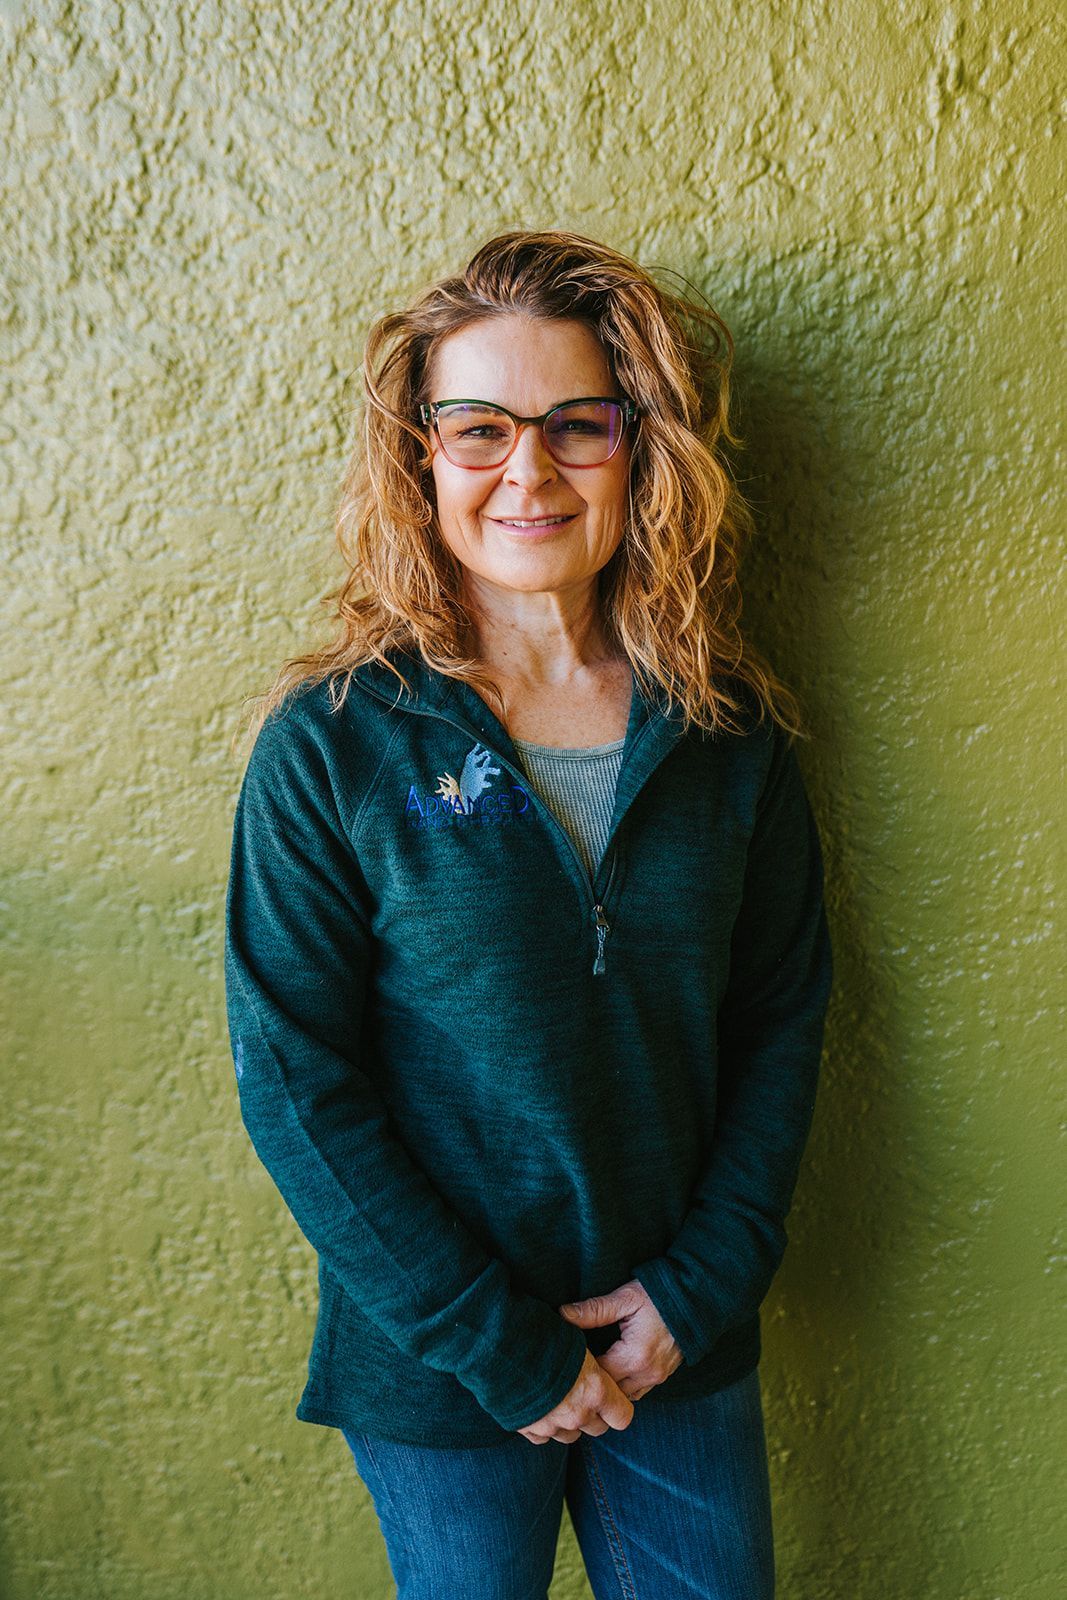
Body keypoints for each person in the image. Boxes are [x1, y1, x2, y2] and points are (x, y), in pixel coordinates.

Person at [224, 228, 834, 1599]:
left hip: (674, 1345)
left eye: (576, 425)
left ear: (640, 446)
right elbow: (295, 1079)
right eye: (479, 427)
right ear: (421, 457)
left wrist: (702, 1282)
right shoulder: (335, 746)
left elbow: (781, 1019)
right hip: (447, 1373)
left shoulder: (732, 738)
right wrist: (499, 1343)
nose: (528, 470)